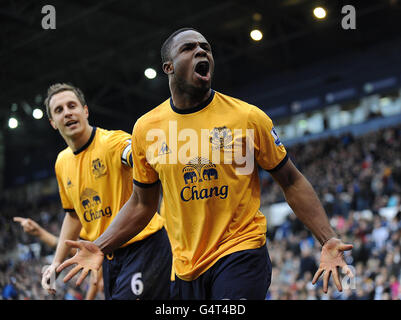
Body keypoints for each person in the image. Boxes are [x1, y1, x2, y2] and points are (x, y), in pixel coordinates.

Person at [56, 28, 353, 299]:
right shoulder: (147, 128)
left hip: (241, 251)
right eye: (189, 48)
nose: (201, 51)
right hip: (184, 267)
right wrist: (100, 245)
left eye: (205, 48)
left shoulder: (247, 117)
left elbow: (291, 180)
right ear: (168, 67)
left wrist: (327, 239)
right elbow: (142, 204)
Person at [41, 83, 172, 299]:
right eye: (59, 110)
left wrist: (149, 154)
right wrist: (56, 261)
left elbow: (134, 153)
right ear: (53, 123)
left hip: (144, 247)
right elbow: (73, 215)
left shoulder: (112, 142)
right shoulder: (61, 162)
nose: (67, 113)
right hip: (107, 257)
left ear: (85, 111)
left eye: (72, 106)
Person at [13, 216, 103, 300]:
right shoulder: (98, 256)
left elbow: (94, 283)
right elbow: (67, 248)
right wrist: (39, 232)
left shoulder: (105, 254)